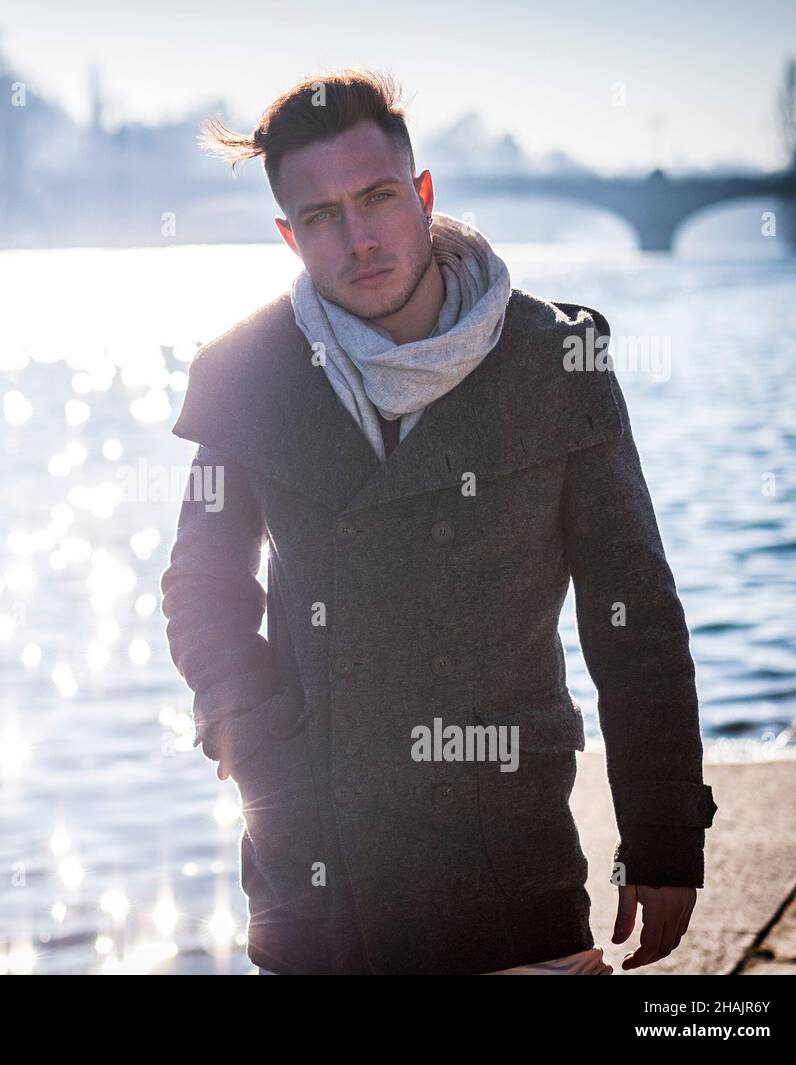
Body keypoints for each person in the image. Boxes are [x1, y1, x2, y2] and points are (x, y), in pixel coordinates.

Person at [160, 67, 716, 975]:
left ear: (422, 194)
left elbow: (634, 613)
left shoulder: (555, 361)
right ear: (288, 235)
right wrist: (254, 739)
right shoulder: (247, 375)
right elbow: (202, 586)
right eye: (321, 216)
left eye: (377, 198)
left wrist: (661, 832)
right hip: (317, 873)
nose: (358, 238)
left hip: (510, 862)